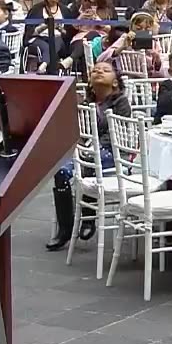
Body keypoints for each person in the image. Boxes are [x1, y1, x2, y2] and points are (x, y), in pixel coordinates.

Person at [47, 60, 130, 251]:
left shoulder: (120, 102)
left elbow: (119, 133)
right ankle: (66, 228)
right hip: (87, 151)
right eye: (95, 70)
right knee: (60, 171)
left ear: (115, 82)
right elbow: (76, 132)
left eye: (106, 70)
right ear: (90, 81)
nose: (99, 71)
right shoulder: (86, 103)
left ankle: (88, 214)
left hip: (113, 151)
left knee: (89, 163)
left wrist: (91, 147)